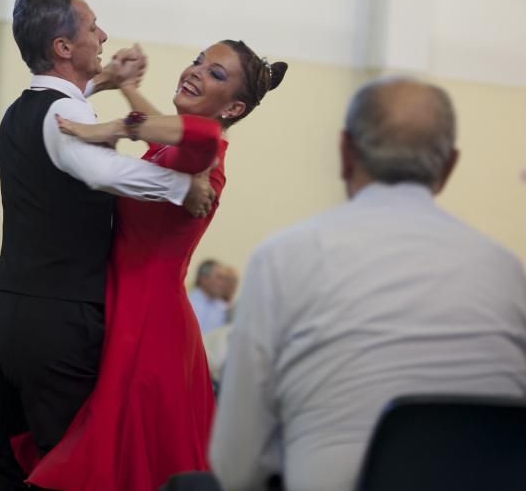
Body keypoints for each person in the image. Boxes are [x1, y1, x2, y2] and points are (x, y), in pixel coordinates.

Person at [0, 0, 216, 491]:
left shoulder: (22, 109)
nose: (104, 36)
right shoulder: (64, 116)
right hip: (56, 331)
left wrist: (106, 82)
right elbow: (102, 171)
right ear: (64, 47)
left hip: (2, 322)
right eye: (93, 27)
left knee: (10, 471)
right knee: (64, 475)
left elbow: (65, 113)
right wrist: (183, 188)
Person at [209, 76, 526, 491]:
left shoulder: (283, 257)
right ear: (449, 166)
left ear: (345, 153)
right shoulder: (507, 271)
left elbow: (236, 466)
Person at [25, 40, 288, 489]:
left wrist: (110, 126)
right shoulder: (178, 151)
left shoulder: (205, 158)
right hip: (134, 307)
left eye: (216, 74)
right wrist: (128, 88)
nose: (196, 71)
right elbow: (168, 131)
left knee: (128, 462)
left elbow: (197, 135)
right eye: (199, 61)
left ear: (234, 108)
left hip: (148, 324)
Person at [189, 259, 230, 333]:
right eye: (219, 278)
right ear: (204, 278)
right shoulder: (188, 304)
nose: (223, 284)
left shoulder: (224, 309)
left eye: (224, 279)